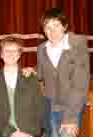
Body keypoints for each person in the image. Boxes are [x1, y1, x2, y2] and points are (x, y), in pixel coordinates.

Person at [37, 8, 90, 137]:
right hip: (50, 107)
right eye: (47, 27)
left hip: (72, 106)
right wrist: (30, 70)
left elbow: (80, 84)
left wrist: (71, 118)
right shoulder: (42, 48)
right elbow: (41, 73)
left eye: (56, 25)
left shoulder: (77, 44)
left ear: (64, 27)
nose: (52, 31)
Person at [0, 37, 46, 137]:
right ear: (1, 54)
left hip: (30, 133)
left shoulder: (31, 78)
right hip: (4, 134)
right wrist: (11, 133)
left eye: (14, 50)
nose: (11, 54)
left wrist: (32, 133)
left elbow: (40, 109)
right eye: (7, 50)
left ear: (19, 54)